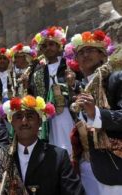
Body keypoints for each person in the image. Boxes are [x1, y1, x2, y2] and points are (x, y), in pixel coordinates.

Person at [0, 95, 85, 195]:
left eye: (30, 116)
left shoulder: (58, 157)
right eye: (18, 116)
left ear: (39, 122)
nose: (24, 122)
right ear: (12, 122)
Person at [64, 29, 122, 194]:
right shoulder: (83, 88)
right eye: (80, 52)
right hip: (102, 169)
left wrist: (95, 113)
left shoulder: (117, 78)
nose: (85, 54)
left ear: (102, 55)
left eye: (90, 50)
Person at [29, 26, 75, 155]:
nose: (48, 48)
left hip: (68, 112)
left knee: (72, 147)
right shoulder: (37, 72)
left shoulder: (68, 64)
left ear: (58, 46)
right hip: (48, 117)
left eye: (51, 44)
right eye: (44, 46)